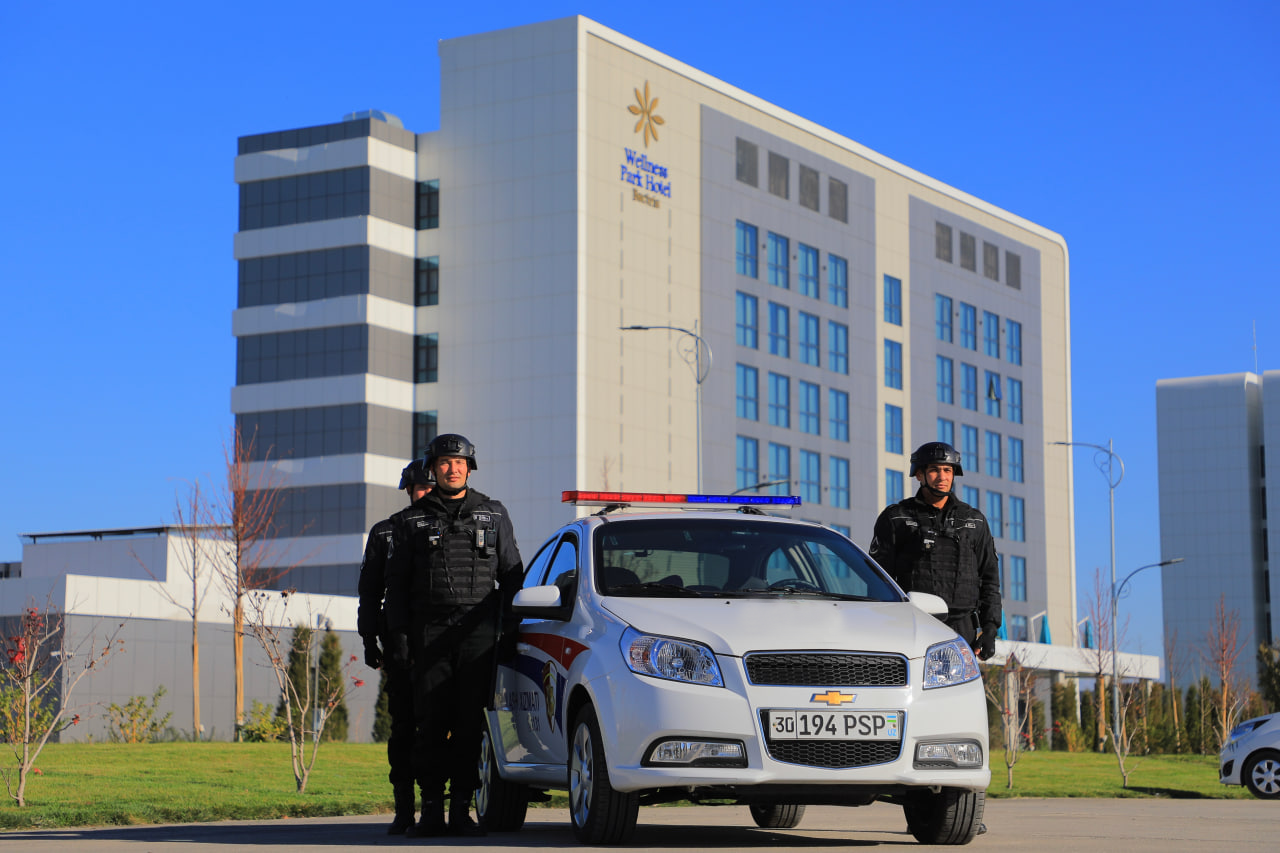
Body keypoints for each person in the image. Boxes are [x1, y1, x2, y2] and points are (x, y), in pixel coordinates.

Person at [383, 433, 523, 837]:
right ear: (433, 468)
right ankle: (431, 810)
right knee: (430, 724)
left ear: (469, 469)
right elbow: (396, 587)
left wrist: (510, 630)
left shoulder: (493, 514)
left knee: (469, 726)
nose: (452, 469)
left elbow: (513, 575)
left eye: (459, 463)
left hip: (479, 637)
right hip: (429, 634)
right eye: (445, 462)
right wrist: (399, 637)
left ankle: (462, 808)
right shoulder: (410, 521)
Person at [869, 441, 1002, 661]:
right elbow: (878, 581)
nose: (942, 477)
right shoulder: (896, 517)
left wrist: (990, 629)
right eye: (934, 470)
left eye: (948, 470)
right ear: (919, 475)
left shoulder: (974, 521)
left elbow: (990, 579)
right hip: (913, 627)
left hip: (963, 631)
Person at [356, 458, 433, 834]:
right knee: (403, 728)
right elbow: (370, 591)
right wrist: (368, 638)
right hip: (400, 645)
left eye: (431, 488)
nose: (426, 494)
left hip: (442, 644)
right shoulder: (386, 532)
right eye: (420, 488)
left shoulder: (458, 529)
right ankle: (404, 809)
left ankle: (441, 808)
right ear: (408, 491)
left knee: (443, 727)